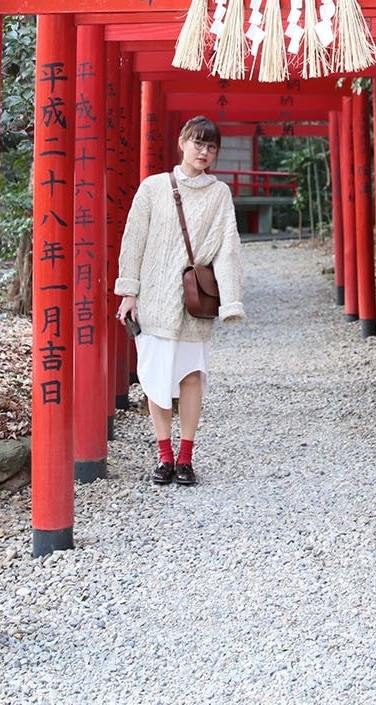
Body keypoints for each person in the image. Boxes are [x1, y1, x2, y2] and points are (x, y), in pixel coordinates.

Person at [115, 116, 245, 486]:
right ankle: (164, 456)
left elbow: (228, 248)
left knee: (191, 376)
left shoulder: (219, 194)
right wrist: (129, 291)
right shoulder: (153, 187)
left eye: (211, 147)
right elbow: (134, 239)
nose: (204, 152)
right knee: (155, 378)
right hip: (154, 299)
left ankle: (185, 456)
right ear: (182, 142)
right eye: (198, 143)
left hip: (193, 301)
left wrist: (231, 301)